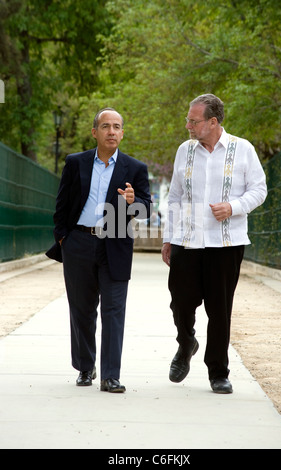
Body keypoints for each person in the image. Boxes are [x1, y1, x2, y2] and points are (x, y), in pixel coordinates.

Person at [162, 94, 267, 394]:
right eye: (188, 120)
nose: (188, 126)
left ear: (213, 122)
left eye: (193, 121)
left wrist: (233, 207)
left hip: (227, 243)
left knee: (219, 310)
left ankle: (218, 372)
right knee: (180, 301)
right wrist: (168, 238)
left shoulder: (242, 149)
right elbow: (175, 196)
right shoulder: (185, 150)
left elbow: (259, 190)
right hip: (187, 240)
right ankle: (186, 343)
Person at [46, 108, 151, 393]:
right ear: (95, 132)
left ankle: (110, 376)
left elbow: (145, 210)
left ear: (122, 132)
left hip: (116, 242)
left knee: (114, 311)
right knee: (81, 309)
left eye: (117, 126)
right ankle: (84, 367)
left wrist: (132, 201)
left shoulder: (135, 168)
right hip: (78, 242)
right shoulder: (75, 162)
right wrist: (64, 238)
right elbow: (62, 205)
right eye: (106, 126)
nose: (112, 131)